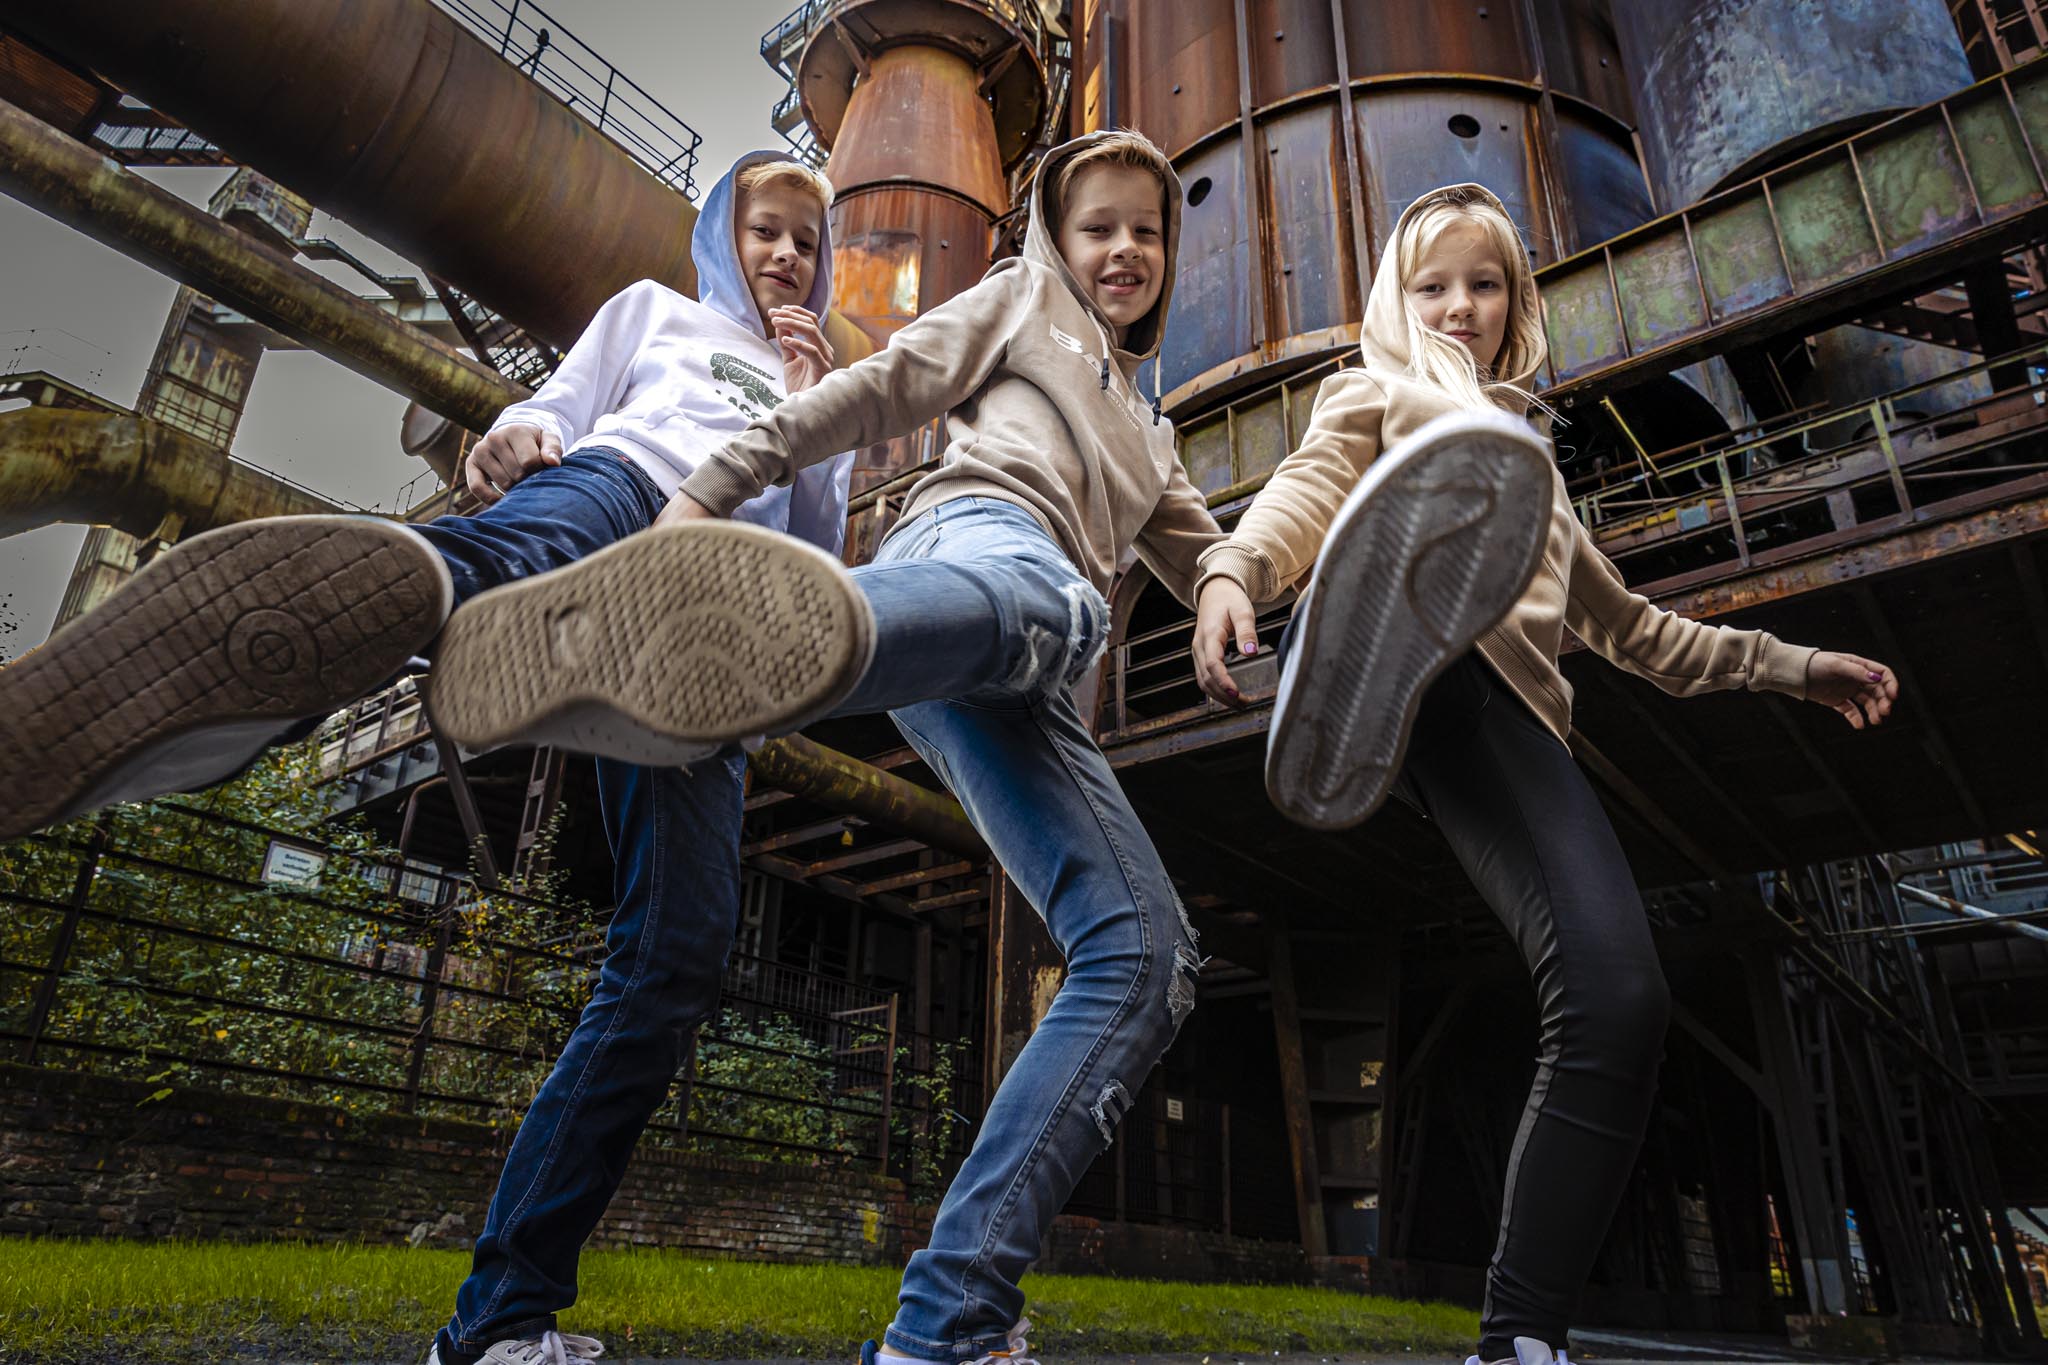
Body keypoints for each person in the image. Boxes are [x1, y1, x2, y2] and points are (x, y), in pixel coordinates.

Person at [0, 149, 863, 1365]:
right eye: (764, 232)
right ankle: (385, 618)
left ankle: (498, 1326)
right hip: (627, 492)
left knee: (675, 958)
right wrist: (514, 433)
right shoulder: (656, 313)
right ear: (725, 237)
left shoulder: (821, 385)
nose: (785, 256)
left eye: (805, 245)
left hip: (709, 631)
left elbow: (819, 550)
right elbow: (567, 403)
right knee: (507, 547)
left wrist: (814, 410)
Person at [428, 129, 1217, 1365]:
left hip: (918, 646)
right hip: (939, 553)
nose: (1121, 249)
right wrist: (716, 475)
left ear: (1169, 258)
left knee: (1143, 954)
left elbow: (1203, 546)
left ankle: (940, 1326)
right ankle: (645, 622)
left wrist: (1238, 582)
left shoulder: (1149, 430)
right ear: (1054, 244)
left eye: (1146, 232)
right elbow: (889, 380)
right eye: (1095, 225)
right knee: (1056, 609)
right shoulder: (1016, 304)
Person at [1188, 183, 1899, 1365]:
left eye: (1483, 285)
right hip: (1429, 675)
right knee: (1393, 519)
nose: (1457, 306)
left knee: (1619, 1001)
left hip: (1498, 722)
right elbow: (1303, 489)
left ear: (1515, 302)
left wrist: (1791, 665)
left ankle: (1521, 1340)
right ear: (1394, 300)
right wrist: (1231, 571)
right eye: (1431, 286)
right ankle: (1357, 627)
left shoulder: (1541, 479)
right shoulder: (1368, 389)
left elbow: (1639, 636)